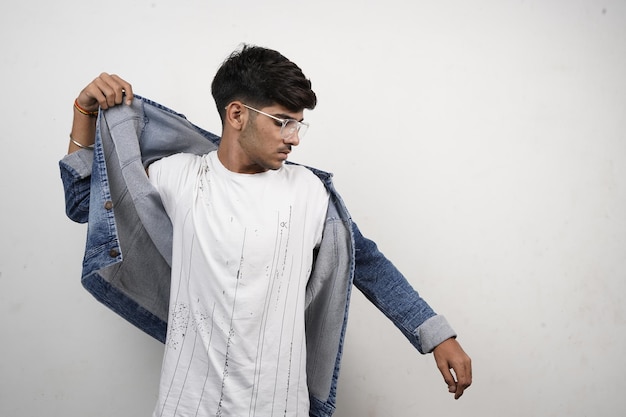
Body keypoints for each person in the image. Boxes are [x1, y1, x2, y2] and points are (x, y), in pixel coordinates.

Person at [61, 45, 471, 417]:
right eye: (282, 122)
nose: (293, 138)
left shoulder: (310, 193)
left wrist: (436, 336)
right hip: (187, 406)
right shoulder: (176, 177)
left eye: (299, 125)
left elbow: (365, 261)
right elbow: (86, 207)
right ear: (236, 114)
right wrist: (84, 115)